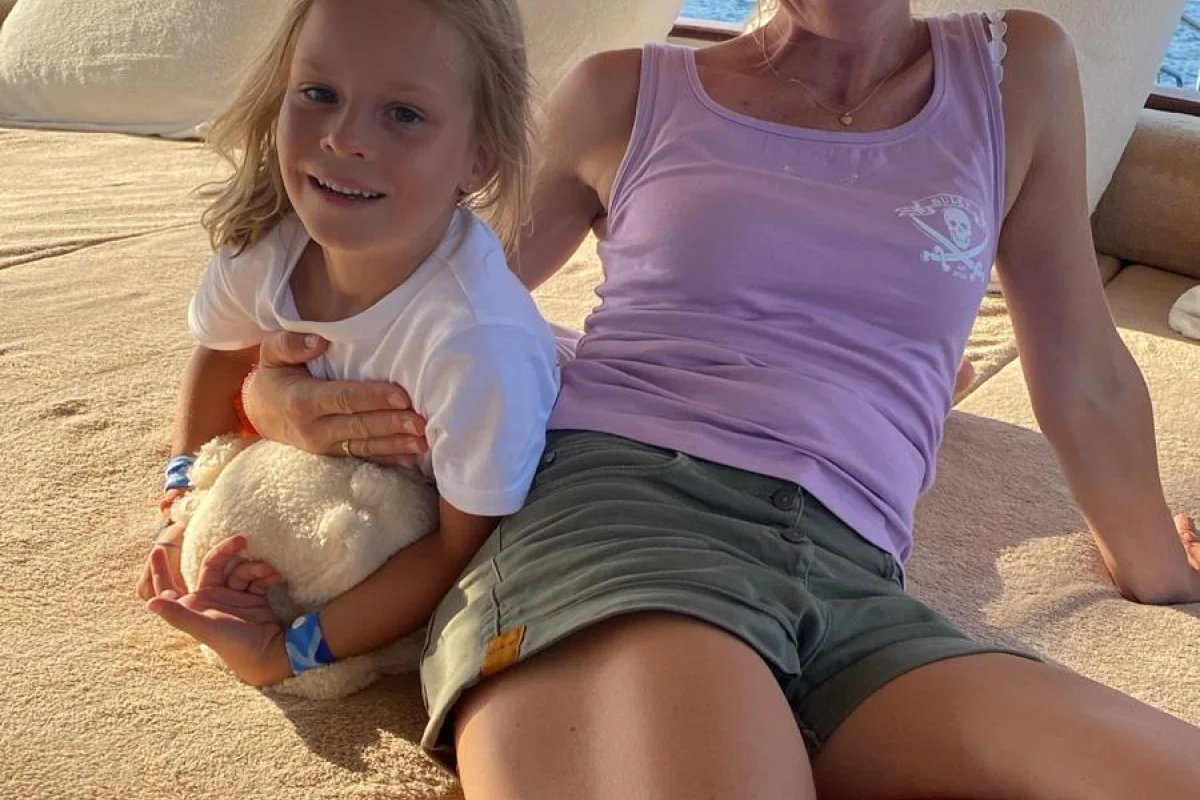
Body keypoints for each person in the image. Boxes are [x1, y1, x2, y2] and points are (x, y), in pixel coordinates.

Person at [151, 0, 1200, 797]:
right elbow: (420, 295)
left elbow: (1082, 365)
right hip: (618, 523)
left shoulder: (1017, 69)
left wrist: (1160, 572)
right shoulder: (626, 93)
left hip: (855, 579)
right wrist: (269, 395)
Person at [138, 0, 560, 688]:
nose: (342, 138)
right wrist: (181, 503)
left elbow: (459, 549)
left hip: (430, 522)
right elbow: (221, 356)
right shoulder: (267, 246)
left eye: (404, 114)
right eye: (319, 93)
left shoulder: (475, 345)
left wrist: (286, 652)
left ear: (478, 157)